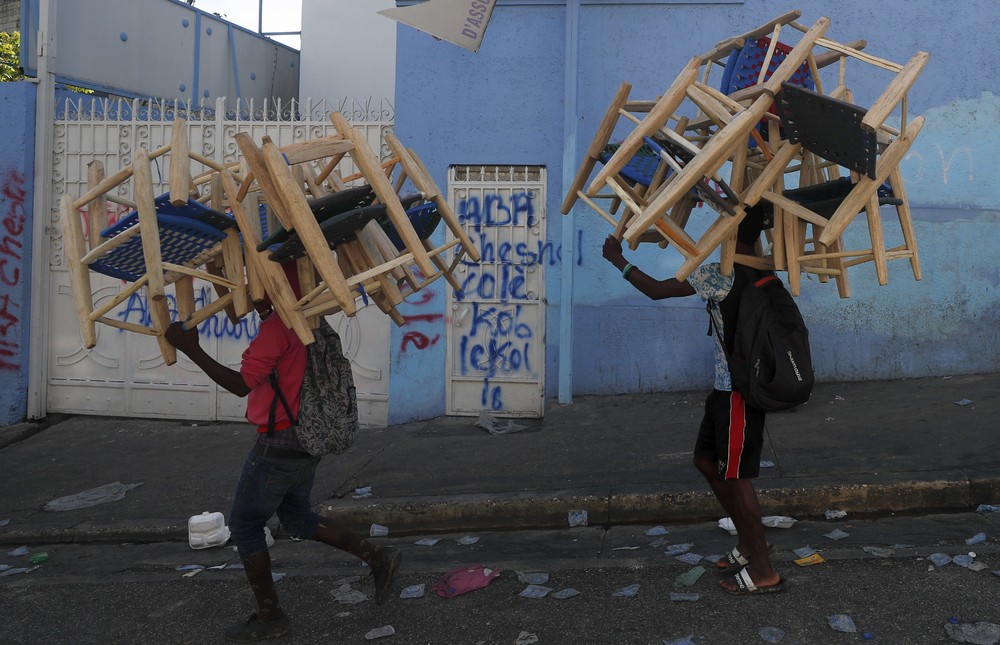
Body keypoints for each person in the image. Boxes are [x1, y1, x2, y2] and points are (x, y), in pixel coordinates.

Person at [164, 276, 402, 642]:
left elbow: (243, 383)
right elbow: (289, 363)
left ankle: (271, 616)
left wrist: (190, 349)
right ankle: (377, 557)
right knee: (297, 518)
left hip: (277, 445)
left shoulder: (278, 327)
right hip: (306, 440)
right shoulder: (310, 318)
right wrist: (266, 314)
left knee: (244, 526)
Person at [601, 205, 783, 594]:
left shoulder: (722, 274)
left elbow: (657, 291)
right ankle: (752, 543)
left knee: (737, 477)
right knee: (705, 462)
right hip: (724, 390)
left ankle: (764, 567)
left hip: (738, 394)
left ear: (730, 234)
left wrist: (619, 260)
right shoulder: (764, 270)